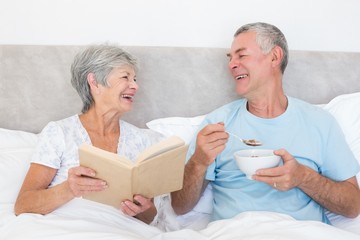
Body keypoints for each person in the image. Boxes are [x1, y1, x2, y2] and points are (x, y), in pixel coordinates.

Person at [171, 22, 360, 224]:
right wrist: (199, 161)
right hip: (234, 233)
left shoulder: (319, 122)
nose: (231, 64)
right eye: (230, 58)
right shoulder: (217, 124)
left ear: (274, 57)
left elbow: (353, 206)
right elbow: (180, 206)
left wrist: (304, 178)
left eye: (241, 55)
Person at [14, 44, 164, 224]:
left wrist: (143, 210)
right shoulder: (60, 132)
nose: (135, 86)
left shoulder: (142, 140)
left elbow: (149, 218)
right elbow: (22, 205)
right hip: (66, 228)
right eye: (126, 77)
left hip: (121, 231)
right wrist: (69, 189)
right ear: (94, 82)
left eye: (135, 79)